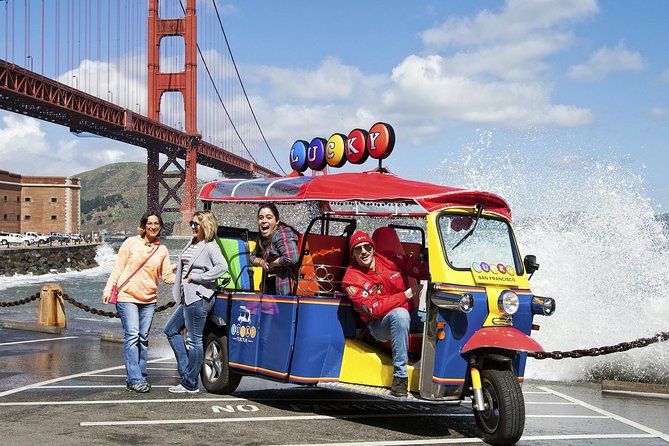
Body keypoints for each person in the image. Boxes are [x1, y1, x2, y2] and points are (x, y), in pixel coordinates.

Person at [341, 230, 429, 397]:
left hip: (409, 313)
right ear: (353, 254)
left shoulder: (390, 258)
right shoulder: (351, 279)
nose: (364, 252)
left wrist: (432, 265)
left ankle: (437, 371)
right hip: (378, 325)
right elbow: (375, 309)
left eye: (367, 247)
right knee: (400, 316)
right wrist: (407, 294)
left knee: (439, 319)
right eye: (358, 249)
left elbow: (418, 270)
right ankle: (400, 378)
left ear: (373, 248)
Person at [102, 212, 175, 393]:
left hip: (149, 300)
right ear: (143, 225)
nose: (152, 226)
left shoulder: (162, 250)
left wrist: (187, 275)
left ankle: (140, 376)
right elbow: (117, 268)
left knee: (143, 339)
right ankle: (135, 379)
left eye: (156, 223)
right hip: (127, 297)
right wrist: (107, 288)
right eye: (149, 223)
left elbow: (166, 277)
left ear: (160, 227)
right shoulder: (130, 243)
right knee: (133, 335)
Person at [164, 210, 228, 394]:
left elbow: (222, 267)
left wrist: (199, 277)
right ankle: (186, 373)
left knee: (194, 340)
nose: (192, 226)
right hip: (187, 298)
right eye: (191, 223)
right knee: (170, 330)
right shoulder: (193, 242)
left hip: (198, 298)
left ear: (206, 226)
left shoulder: (210, 246)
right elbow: (188, 262)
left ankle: (190, 383)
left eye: (196, 224)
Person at [250, 204, 299, 295]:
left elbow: (292, 258)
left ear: (276, 221)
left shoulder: (283, 233)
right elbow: (252, 257)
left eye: (268, 217)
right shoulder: (262, 238)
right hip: (270, 285)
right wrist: (261, 262)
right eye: (261, 218)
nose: (264, 221)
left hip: (286, 287)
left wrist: (272, 264)